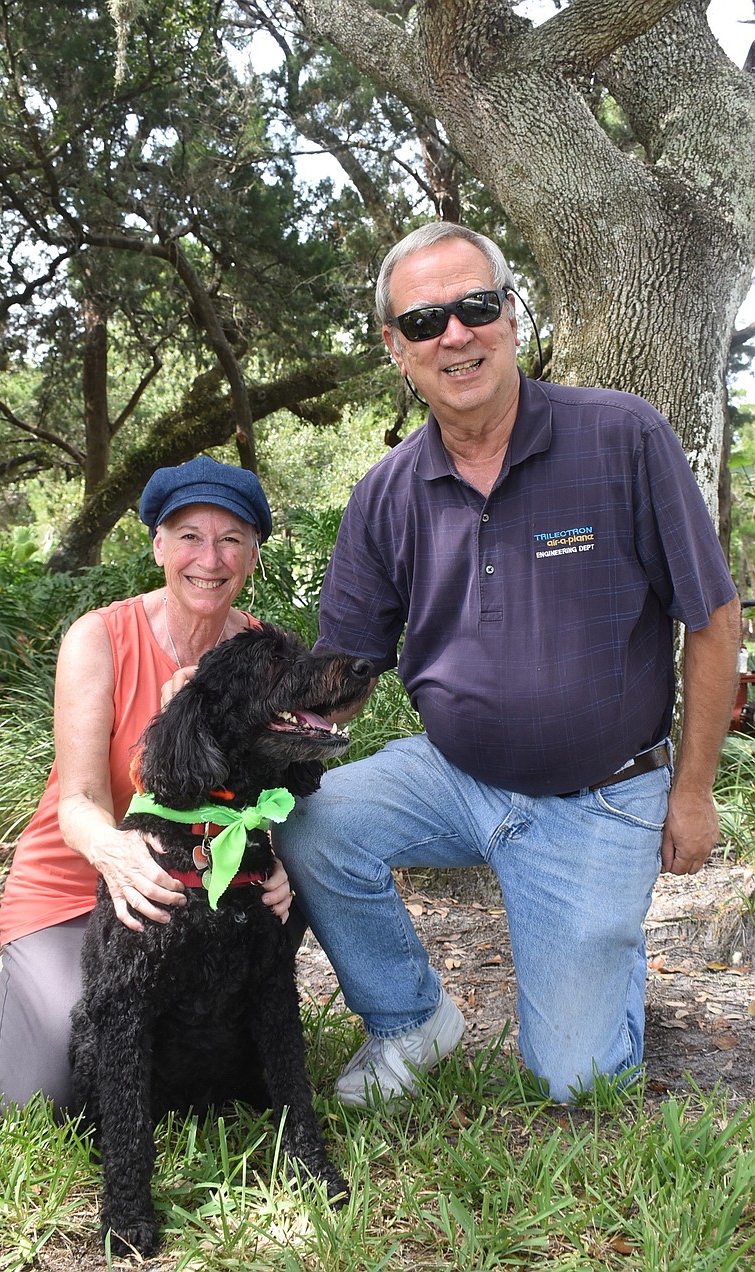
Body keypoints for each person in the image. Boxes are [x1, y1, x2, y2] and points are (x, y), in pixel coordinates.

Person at [275, 222, 741, 1107]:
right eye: (424, 322)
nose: (455, 335)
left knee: (573, 1084)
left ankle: (603, 956)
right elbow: (343, 672)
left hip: (602, 796)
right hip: (454, 775)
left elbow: (713, 621)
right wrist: (246, 752)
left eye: (475, 307)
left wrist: (693, 789)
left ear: (512, 315)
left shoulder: (622, 437)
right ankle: (410, 1019)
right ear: (396, 350)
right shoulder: (385, 495)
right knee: (313, 822)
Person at [0, 458, 294, 1112]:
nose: (210, 557)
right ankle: (8, 990)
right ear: (157, 546)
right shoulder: (100, 639)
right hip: (73, 892)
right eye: (189, 536)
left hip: (193, 888)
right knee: (46, 1097)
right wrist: (117, 853)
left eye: (232, 538)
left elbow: (262, 792)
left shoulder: (261, 652)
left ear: (253, 555)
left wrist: (275, 858)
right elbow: (80, 801)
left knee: (193, 1080)